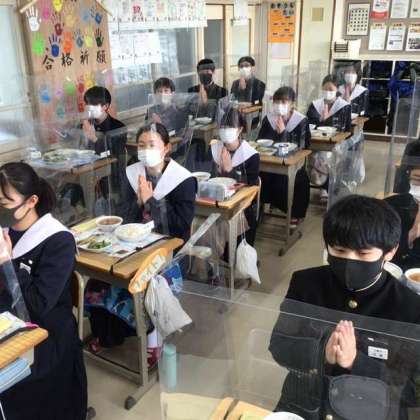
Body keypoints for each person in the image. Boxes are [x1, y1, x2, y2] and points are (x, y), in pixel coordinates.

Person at [269, 195, 420, 419]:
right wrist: (320, 354)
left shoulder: (410, 307)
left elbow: (412, 392)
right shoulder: (306, 283)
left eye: (363, 253)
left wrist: (356, 362)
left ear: (390, 251)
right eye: (339, 251)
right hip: (306, 403)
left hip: (371, 410)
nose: (350, 261)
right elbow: (279, 346)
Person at [87, 123, 197, 355]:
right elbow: (122, 215)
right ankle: (108, 334)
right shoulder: (132, 173)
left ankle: (153, 338)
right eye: (141, 145)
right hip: (132, 244)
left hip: (169, 249)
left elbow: (180, 226)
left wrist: (152, 201)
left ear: (166, 148)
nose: (146, 150)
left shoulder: (182, 179)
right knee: (100, 278)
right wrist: (138, 202)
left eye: (152, 144)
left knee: (145, 281)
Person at [0, 162, 87, 420]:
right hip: (8, 321)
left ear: (31, 201)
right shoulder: (5, 228)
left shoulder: (58, 240)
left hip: (47, 335)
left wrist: (7, 263)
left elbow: (38, 305)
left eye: (5, 202)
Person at [258, 87, 311, 225]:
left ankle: (294, 213)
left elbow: (302, 146)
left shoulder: (301, 120)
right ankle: (258, 210)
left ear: (292, 103)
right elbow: (261, 141)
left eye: (284, 101)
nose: (279, 105)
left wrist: (283, 133)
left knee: (299, 179)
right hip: (271, 163)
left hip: (293, 164)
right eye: (276, 101)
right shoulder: (269, 119)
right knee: (259, 176)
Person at [211, 106, 260, 245]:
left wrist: (229, 170)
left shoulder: (251, 155)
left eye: (230, 127)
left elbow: (251, 188)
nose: (225, 130)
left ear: (239, 130)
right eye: (223, 127)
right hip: (214, 202)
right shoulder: (214, 150)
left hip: (240, 206)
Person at [307, 75, 352, 202]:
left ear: (337, 90)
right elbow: (309, 124)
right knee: (319, 156)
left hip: (337, 143)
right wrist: (321, 119)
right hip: (317, 143)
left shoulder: (344, 106)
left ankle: (328, 187)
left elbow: (347, 129)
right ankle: (323, 185)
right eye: (325, 89)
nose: (327, 92)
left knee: (330, 156)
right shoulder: (315, 105)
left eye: (331, 89)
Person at [82, 86, 127, 211]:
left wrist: (94, 139)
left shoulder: (118, 127)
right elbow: (80, 149)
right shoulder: (85, 124)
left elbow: (114, 154)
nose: (89, 107)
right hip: (87, 171)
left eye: (93, 104)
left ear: (105, 106)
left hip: (110, 175)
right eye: (87, 103)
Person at [386, 144, 420, 270]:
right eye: (418, 179)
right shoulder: (390, 208)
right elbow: (379, 254)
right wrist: (411, 235)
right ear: (408, 174)